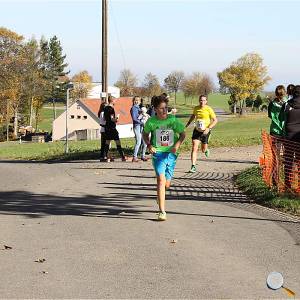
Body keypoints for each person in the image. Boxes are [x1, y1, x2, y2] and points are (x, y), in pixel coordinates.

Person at [143, 94, 186, 221]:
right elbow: (145, 134)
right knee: (161, 181)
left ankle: (159, 195)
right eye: (161, 108)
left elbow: (183, 134)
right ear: (155, 109)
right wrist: (149, 145)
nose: (164, 110)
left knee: (167, 184)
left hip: (171, 154)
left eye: (166, 108)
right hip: (158, 154)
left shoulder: (172, 120)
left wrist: (177, 145)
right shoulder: (151, 121)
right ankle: (162, 211)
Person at [185, 95, 217, 173]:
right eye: (200, 100)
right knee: (194, 147)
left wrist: (208, 128)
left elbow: (215, 120)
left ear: (206, 101)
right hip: (197, 130)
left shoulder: (209, 109)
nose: (202, 102)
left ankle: (206, 149)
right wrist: (188, 123)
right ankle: (193, 166)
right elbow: (193, 115)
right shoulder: (196, 108)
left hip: (205, 131)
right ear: (199, 101)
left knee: (203, 150)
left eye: (203, 100)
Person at [281, 85, 300, 189]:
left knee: (288, 160)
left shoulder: (287, 104)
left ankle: (288, 186)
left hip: (289, 136)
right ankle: (298, 187)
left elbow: (281, 117)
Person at [103, 96, 126, 162]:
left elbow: (105, 118)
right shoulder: (111, 109)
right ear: (112, 101)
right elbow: (112, 119)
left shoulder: (105, 108)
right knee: (117, 142)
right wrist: (117, 118)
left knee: (107, 142)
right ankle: (122, 157)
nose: (115, 101)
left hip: (107, 127)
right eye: (115, 100)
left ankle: (105, 157)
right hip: (112, 128)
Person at [130, 96, 148, 162]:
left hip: (141, 126)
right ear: (133, 101)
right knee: (138, 142)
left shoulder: (139, 108)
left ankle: (143, 155)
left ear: (140, 102)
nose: (136, 101)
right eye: (135, 100)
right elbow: (134, 119)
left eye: (138, 100)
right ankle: (134, 157)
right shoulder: (134, 108)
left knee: (144, 142)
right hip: (137, 126)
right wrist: (141, 123)